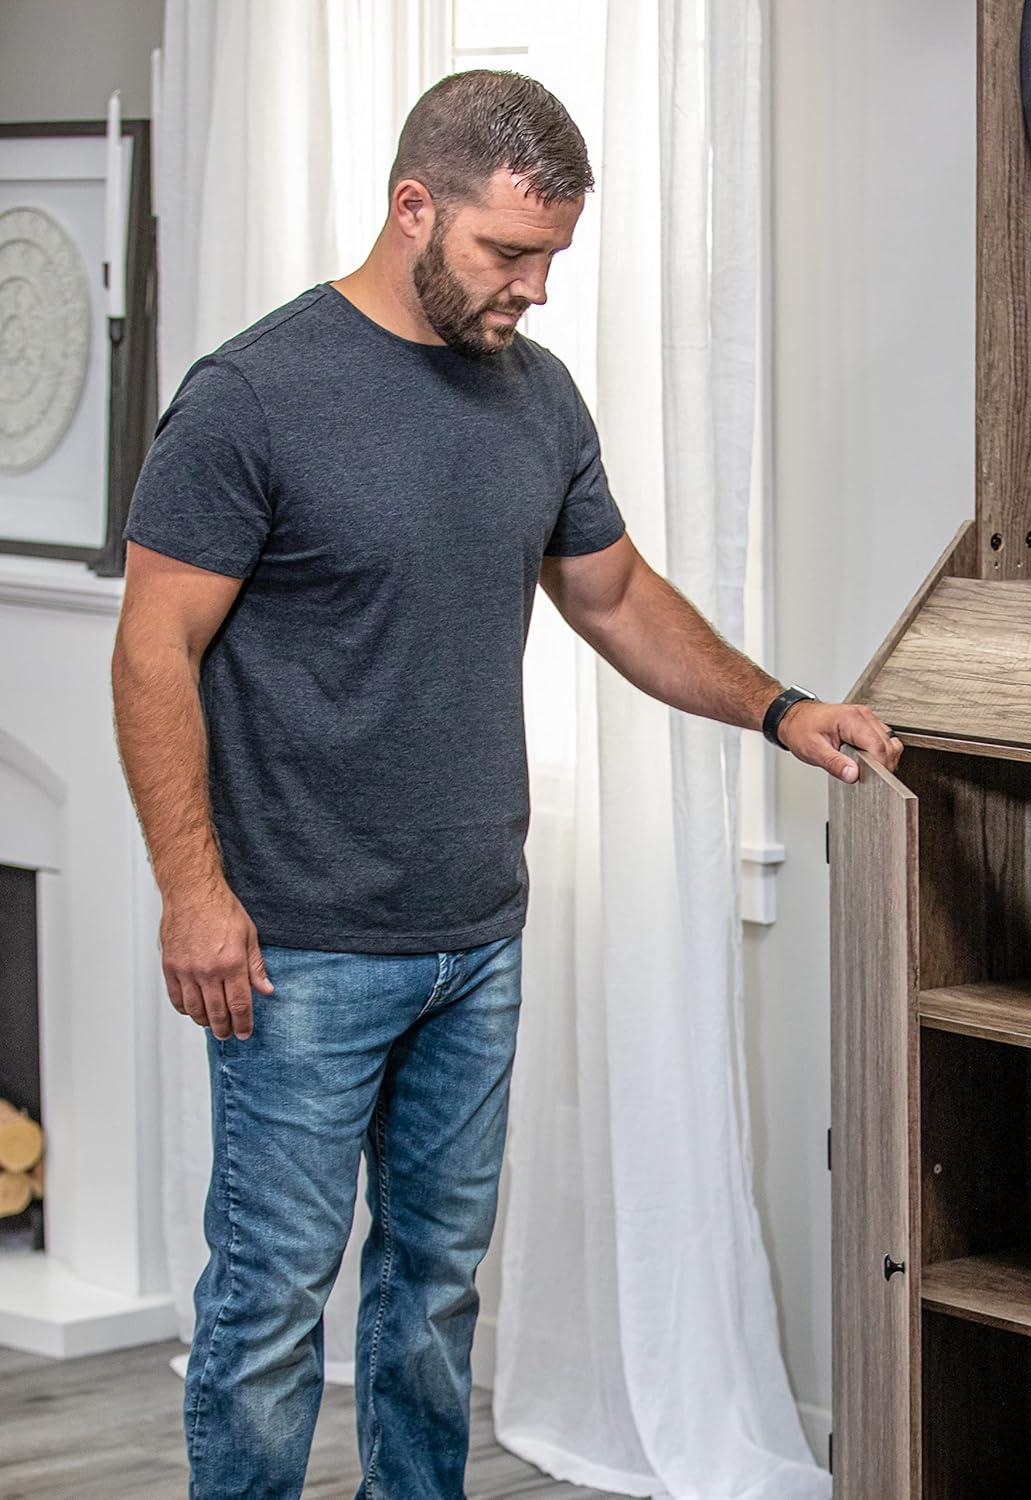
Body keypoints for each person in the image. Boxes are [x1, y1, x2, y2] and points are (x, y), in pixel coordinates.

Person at [110, 69, 901, 1499]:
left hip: (474, 938)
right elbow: (153, 650)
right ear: (415, 205)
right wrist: (191, 891)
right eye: (506, 253)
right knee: (274, 1310)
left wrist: (779, 708)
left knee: (431, 1300)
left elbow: (615, 600)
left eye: (550, 258)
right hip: (295, 949)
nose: (531, 289)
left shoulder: (536, 399)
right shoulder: (253, 397)